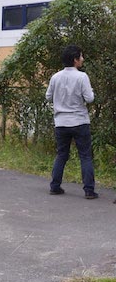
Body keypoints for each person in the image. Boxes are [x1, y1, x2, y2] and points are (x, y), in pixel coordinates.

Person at [45, 45, 98, 199]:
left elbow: (48, 97)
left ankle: (55, 186)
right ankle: (89, 190)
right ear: (75, 59)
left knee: (61, 155)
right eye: (81, 56)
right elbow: (89, 98)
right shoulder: (82, 77)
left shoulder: (55, 77)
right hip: (80, 121)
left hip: (61, 122)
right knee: (85, 156)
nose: (82, 59)